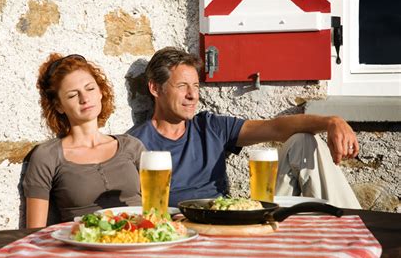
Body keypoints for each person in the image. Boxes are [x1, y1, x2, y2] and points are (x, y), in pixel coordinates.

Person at [128, 47, 361, 209]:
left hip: (229, 218)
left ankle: (357, 230)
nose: (192, 95)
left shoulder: (210, 126)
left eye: (196, 86)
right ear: (155, 89)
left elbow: (276, 128)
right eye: (182, 86)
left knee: (303, 142)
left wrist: (331, 122)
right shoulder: (134, 144)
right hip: (178, 227)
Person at [23, 53, 145, 228]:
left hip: (140, 240)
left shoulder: (131, 146)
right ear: (59, 106)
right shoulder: (47, 156)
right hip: (86, 247)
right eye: (73, 95)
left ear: (101, 92)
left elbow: (157, 209)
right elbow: (34, 231)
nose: (85, 98)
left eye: (90, 88)